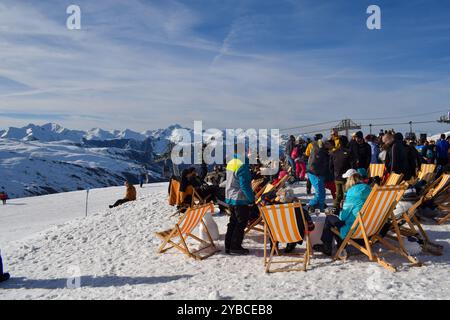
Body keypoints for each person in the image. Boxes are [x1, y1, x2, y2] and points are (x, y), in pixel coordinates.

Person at [314, 170, 372, 256]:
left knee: (330, 218)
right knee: (336, 220)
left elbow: (343, 217)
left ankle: (327, 247)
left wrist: (341, 208)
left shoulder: (352, 193)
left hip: (355, 230)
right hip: (369, 227)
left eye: (346, 180)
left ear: (350, 180)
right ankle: (340, 244)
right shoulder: (369, 189)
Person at [224, 150, 255, 255]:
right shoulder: (243, 166)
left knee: (233, 221)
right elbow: (244, 185)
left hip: (230, 196)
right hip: (239, 198)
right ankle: (235, 246)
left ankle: (228, 245)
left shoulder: (232, 162)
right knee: (241, 222)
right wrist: (251, 199)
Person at [329, 135, 351, 213]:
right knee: (346, 195)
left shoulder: (334, 152)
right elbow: (353, 165)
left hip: (337, 177)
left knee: (338, 195)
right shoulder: (349, 152)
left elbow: (330, 166)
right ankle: (345, 210)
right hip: (346, 178)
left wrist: (334, 175)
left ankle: (335, 209)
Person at [306, 134, 328, 212]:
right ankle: (311, 204)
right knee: (319, 191)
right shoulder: (319, 150)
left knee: (322, 191)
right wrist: (317, 174)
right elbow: (315, 163)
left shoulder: (318, 148)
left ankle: (320, 206)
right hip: (315, 173)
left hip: (318, 173)